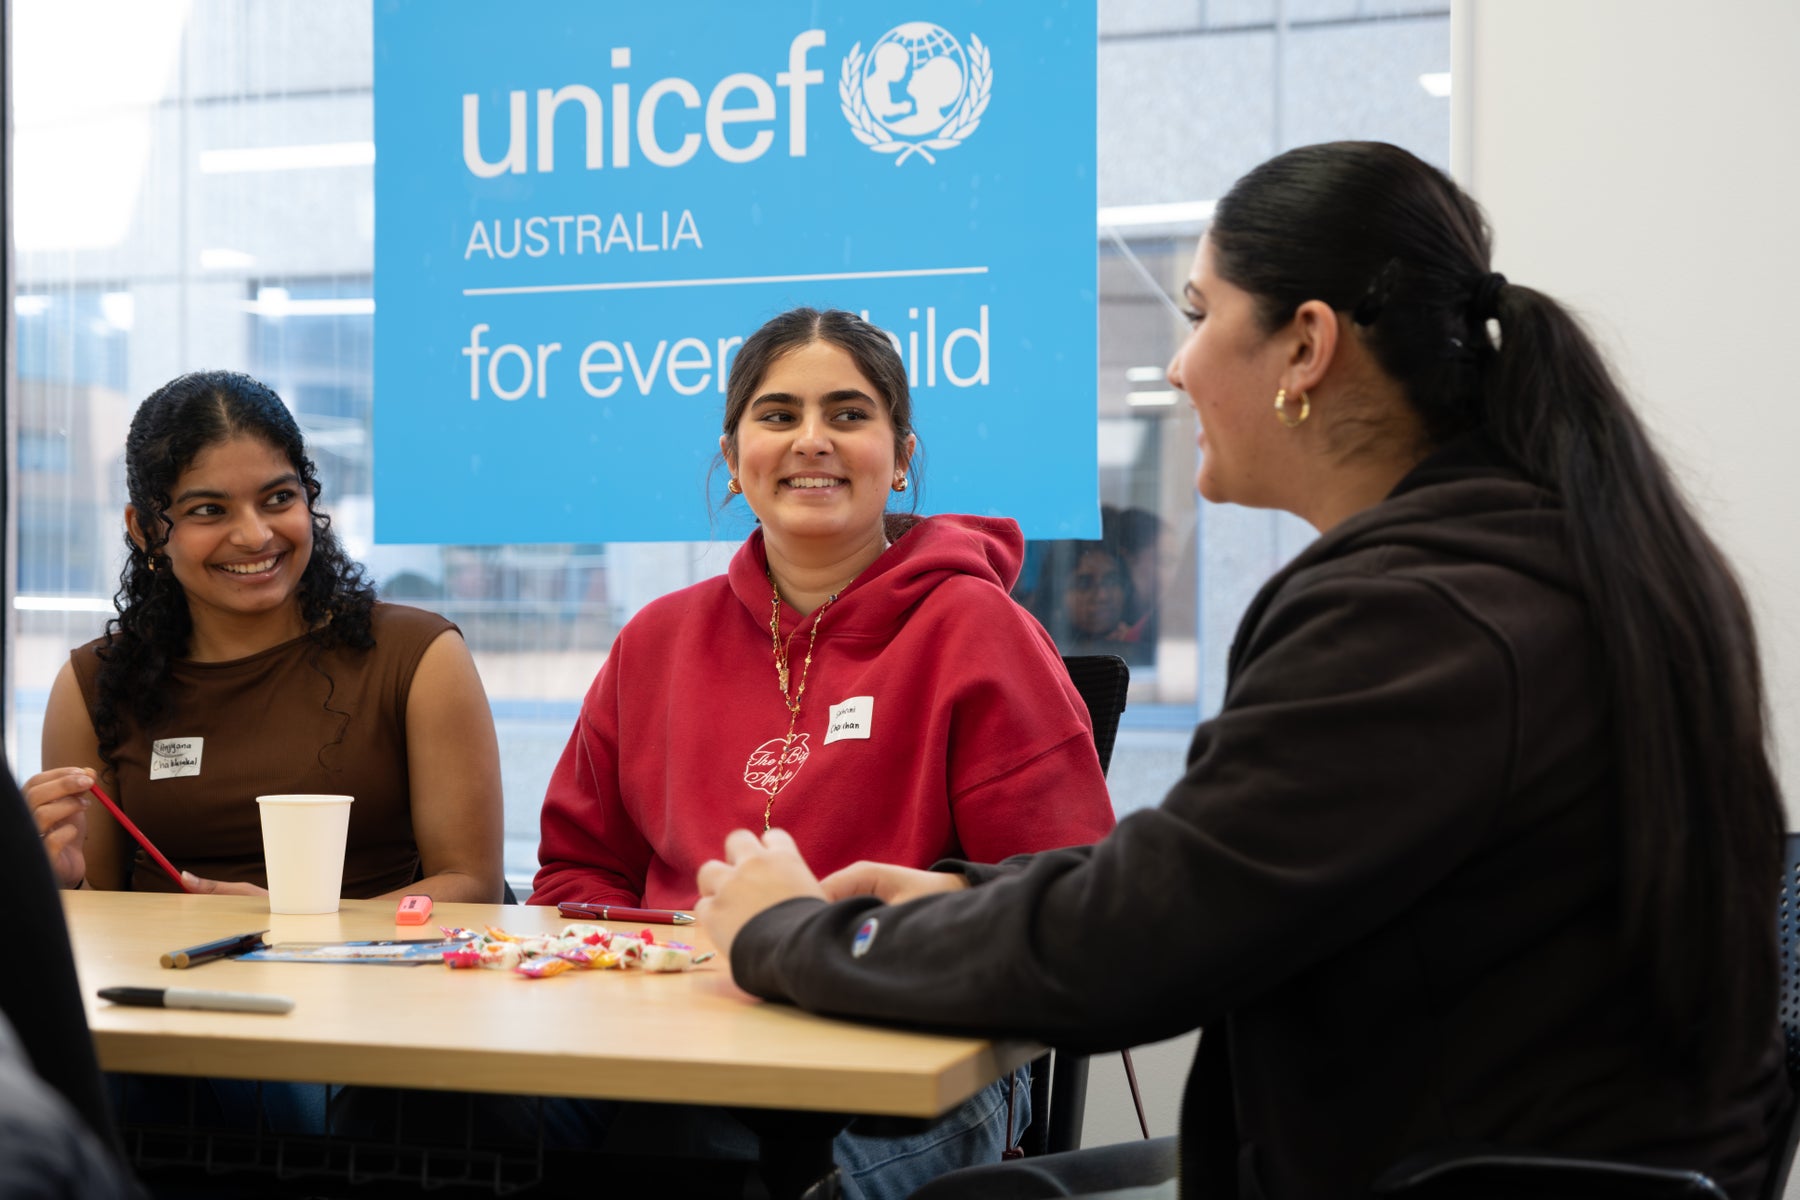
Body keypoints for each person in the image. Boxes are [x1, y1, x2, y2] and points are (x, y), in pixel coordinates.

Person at [693, 142, 1792, 1200]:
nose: (1178, 366)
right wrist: (963, 896)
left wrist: (788, 935)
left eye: (1199, 315)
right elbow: (1204, 876)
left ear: (1306, 347)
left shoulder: (1417, 615)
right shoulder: (1543, 557)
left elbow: (1142, 942)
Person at [532, 307, 1117, 1198]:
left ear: (902, 454)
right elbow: (577, 871)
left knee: (716, 1159)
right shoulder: (656, 640)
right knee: (416, 1114)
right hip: (679, 1036)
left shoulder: (978, 630)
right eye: (777, 416)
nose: (812, 440)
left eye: (848, 415)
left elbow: (1066, 893)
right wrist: (669, 973)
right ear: (733, 459)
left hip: (906, 1047)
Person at [25, 370, 503, 903]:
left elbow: (470, 885)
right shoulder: (93, 685)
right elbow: (102, 909)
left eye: (278, 498)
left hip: (377, 980)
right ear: (145, 531)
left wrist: (297, 923)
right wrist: (61, 881)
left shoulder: (419, 657)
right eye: (209, 510)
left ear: (309, 497)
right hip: (165, 981)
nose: (255, 535)